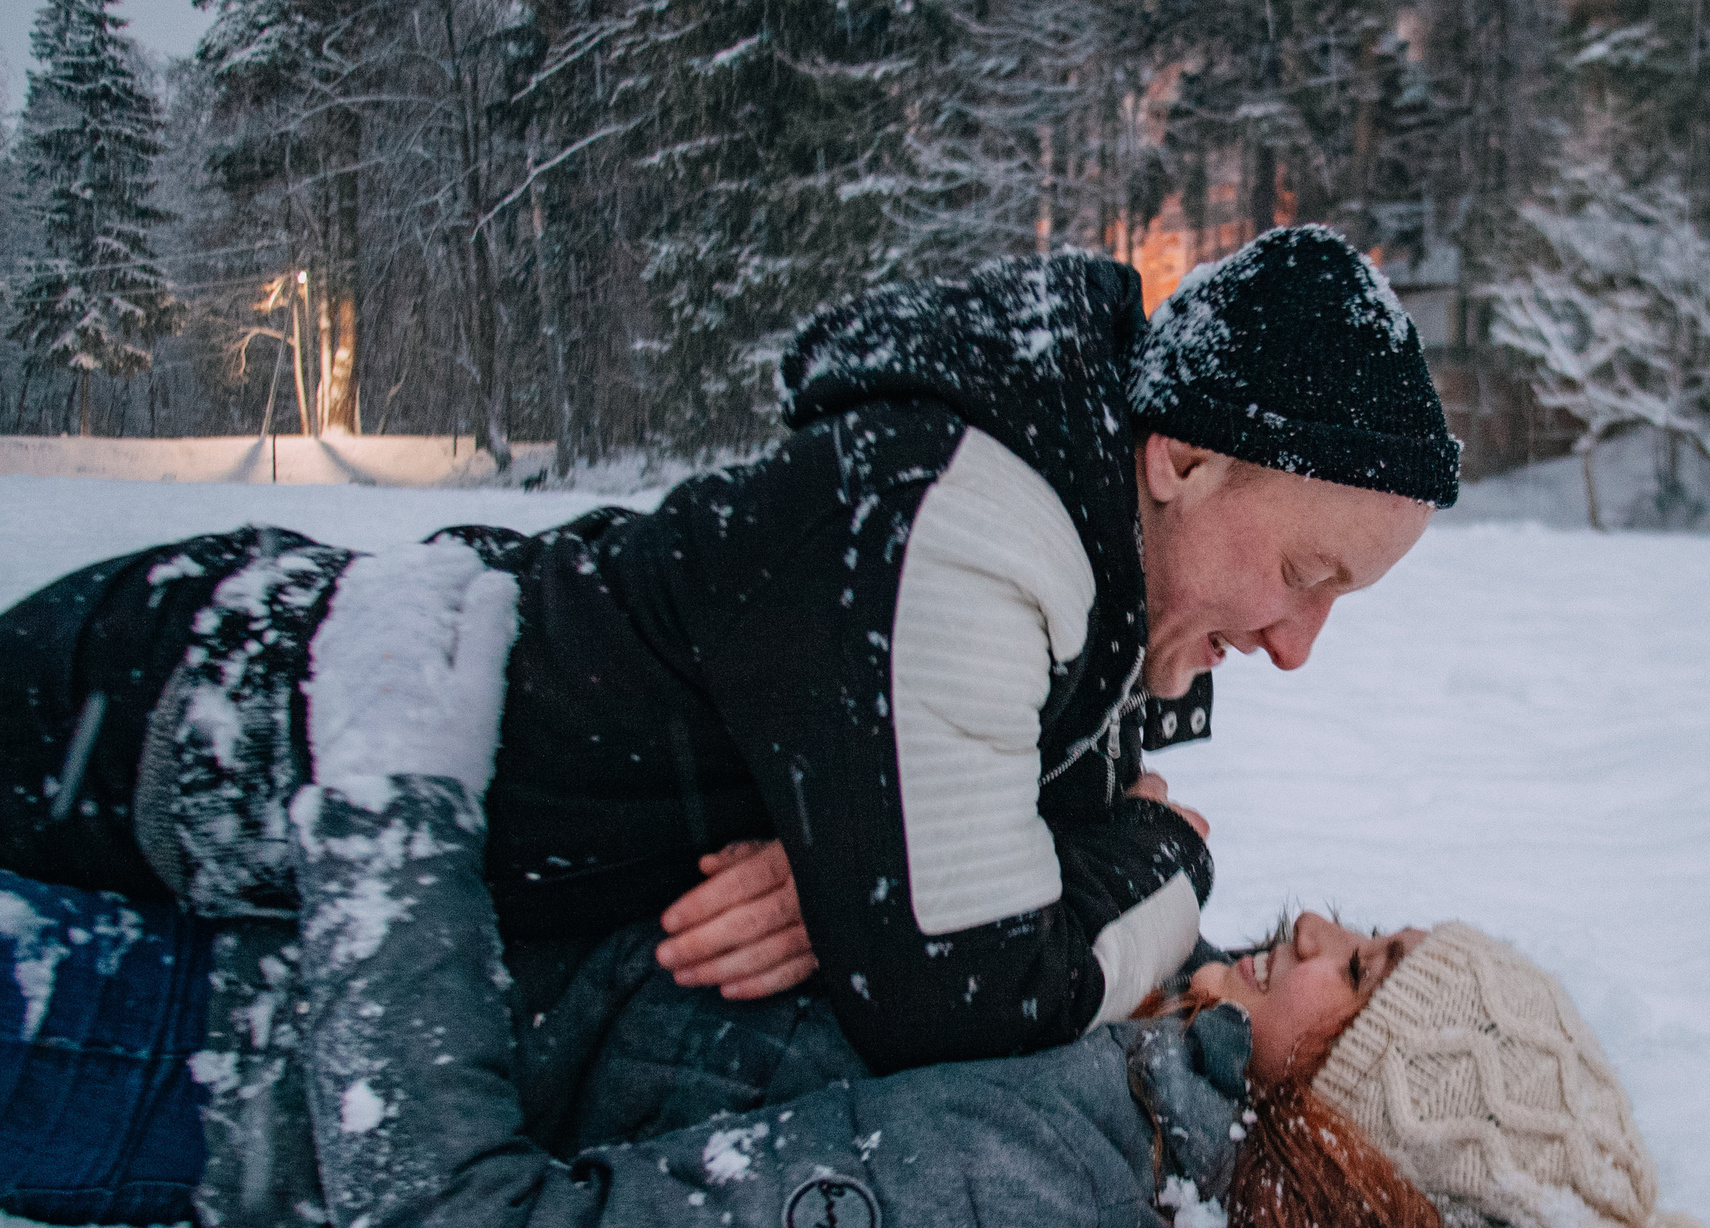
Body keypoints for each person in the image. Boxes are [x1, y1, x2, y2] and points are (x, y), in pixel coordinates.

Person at [0, 227, 1461, 1082]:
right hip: (206, 708)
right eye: (1306, 575)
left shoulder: (1115, 593)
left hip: (318, 743)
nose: (1294, 648)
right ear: (1183, 460)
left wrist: (877, 876)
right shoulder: (971, 514)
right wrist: (1160, 857)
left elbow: (1003, 893)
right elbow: (966, 990)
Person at [2, 804, 1710, 1228]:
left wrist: (405, 835)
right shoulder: (1137, 1039)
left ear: (1350, 1113)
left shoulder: (1040, 1174)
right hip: (284, 944)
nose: (1323, 925)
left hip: (212, 1055)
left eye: (1364, 971)